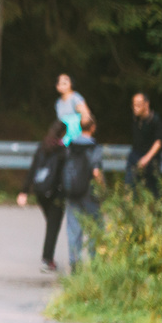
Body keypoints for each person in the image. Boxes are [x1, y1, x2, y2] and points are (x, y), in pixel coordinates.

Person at [16, 122, 68, 273]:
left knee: (51, 224)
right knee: (53, 226)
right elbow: (64, 175)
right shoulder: (62, 151)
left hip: (40, 192)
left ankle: (48, 258)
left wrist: (24, 191)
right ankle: (47, 260)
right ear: (63, 134)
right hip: (56, 194)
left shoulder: (42, 147)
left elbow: (33, 169)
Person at [63, 114, 105, 266]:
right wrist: (103, 190)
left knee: (74, 228)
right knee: (96, 227)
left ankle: (75, 263)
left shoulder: (71, 146)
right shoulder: (94, 147)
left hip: (72, 191)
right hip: (89, 193)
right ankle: (95, 261)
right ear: (93, 128)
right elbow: (96, 172)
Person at [126, 92, 162, 199]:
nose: (135, 108)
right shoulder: (135, 118)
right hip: (135, 155)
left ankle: (157, 212)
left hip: (151, 159)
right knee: (129, 187)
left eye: (138, 104)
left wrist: (146, 158)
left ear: (146, 104)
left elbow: (159, 142)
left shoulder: (155, 120)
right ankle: (129, 212)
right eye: (134, 104)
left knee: (153, 191)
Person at [54, 74, 92, 146]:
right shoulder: (58, 103)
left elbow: (86, 116)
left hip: (77, 138)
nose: (61, 85)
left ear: (71, 84)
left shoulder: (76, 98)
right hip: (63, 139)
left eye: (64, 83)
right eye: (59, 83)